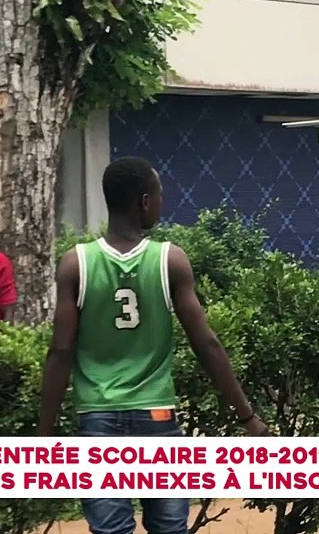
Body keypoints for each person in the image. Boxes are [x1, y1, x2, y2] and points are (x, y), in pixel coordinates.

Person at [38, 156, 267, 534]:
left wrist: (44, 435)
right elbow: (206, 345)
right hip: (157, 418)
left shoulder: (75, 264)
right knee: (169, 529)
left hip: (96, 417)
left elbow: (60, 351)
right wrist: (247, 417)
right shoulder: (169, 260)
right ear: (145, 201)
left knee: (110, 530)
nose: (162, 202)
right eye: (159, 194)